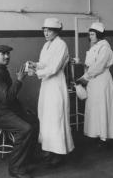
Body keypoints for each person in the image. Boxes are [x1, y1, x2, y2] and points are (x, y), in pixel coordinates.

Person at [0, 45, 39, 178]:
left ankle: (26, 160)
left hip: (5, 109)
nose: (7, 56)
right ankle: (15, 168)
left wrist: (22, 110)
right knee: (25, 129)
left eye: (8, 53)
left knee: (34, 121)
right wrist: (19, 80)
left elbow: (9, 99)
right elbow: (7, 98)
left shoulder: (1, 69)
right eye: (3, 54)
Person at [27, 18, 74, 166]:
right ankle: (47, 150)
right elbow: (44, 64)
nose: (45, 33)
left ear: (56, 31)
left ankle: (58, 153)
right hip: (46, 85)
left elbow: (53, 68)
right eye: (44, 30)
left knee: (56, 118)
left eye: (49, 30)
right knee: (45, 117)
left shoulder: (61, 45)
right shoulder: (47, 45)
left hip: (56, 86)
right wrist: (35, 65)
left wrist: (36, 73)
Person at [76, 22, 113, 147]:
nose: (91, 37)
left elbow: (98, 67)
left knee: (102, 108)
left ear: (99, 35)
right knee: (94, 108)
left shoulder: (105, 48)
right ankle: (95, 134)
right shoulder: (94, 47)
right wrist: (86, 75)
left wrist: (84, 77)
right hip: (93, 81)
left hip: (102, 81)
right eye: (90, 34)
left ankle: (104, 137)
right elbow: (89, 64)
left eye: (93, 34)